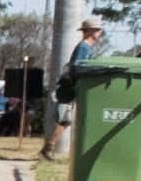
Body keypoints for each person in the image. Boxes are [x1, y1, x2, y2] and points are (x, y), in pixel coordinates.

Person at [44, 17, 104, 157]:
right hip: (73, 87)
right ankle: (49, 147)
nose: (99, 32)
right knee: (66, 119)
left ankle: (49, 147)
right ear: (88, 31)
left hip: (78, 87)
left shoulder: (88, 47)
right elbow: (77, 67)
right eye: (96, 30)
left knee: (68, 120)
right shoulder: (83, 46)